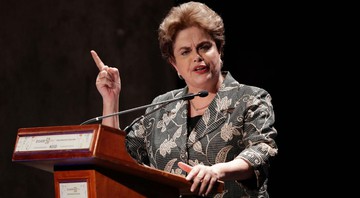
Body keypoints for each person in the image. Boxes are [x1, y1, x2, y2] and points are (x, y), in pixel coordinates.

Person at [90, 1, 278, 197]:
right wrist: (110, 99)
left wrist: (217, 170)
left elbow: (262, 151)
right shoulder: (162, 106)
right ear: (174, 64)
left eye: (204, 47)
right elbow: (116, 158)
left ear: (220, 50)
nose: (197, 57)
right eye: (185, 51)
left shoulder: (251, 98)